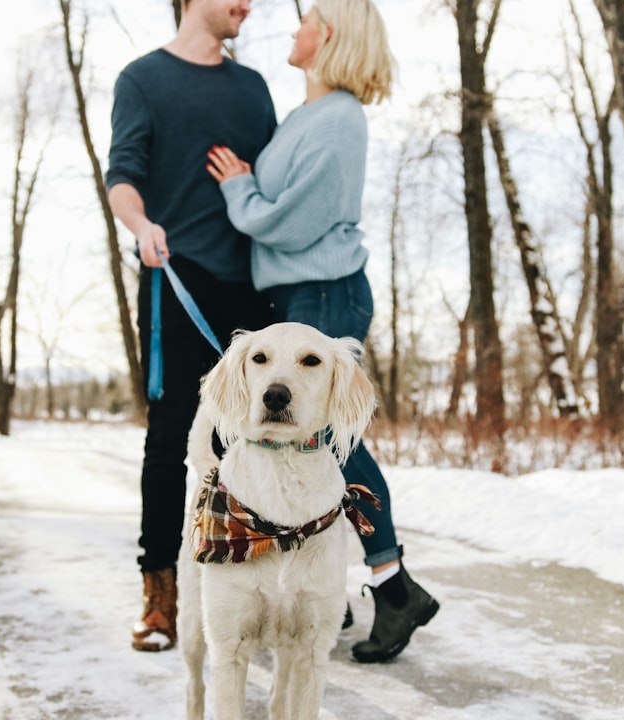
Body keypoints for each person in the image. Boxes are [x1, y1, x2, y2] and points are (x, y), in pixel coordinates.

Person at [204, 0, 439, 663]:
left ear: (327, 35)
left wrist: (241, 190)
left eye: (306, 19)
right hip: (297, 294)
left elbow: (289, 221)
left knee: (336, 441)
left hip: (326, 295)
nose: (292, 27)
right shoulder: (308, 115)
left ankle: (394, 589)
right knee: (311, 447)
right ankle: (329, 592)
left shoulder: (338, 120)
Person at [106, 0, 276, 652]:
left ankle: (246, 595)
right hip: (179, 279)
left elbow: (273, 181)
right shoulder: (143, 79)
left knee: (254, 445)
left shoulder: (254, 87)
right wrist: (142, 226)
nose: (246, 5)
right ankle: (160, 596)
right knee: (169, 441)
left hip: (256, 293)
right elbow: (123, 175)